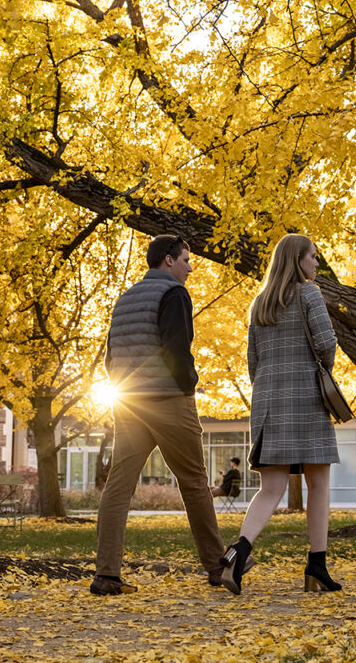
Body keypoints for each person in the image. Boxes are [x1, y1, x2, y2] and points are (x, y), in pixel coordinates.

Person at [91, 234, 235, 596]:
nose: (189, 267)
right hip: (169, 400)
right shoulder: (173, 293)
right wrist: (188, 386)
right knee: (194, 483)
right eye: (186, 259)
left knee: (118, 488)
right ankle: (217, 566)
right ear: (168, 260)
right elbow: (177, 349)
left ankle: (106, 575)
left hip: (128, 404)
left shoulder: (124, 298)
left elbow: (110, 355)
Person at [220, 234, 342, 595]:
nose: (317, 264)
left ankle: (237, 554)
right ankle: (316, 567)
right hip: (305, 398)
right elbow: (327, 345)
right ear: (297, 260)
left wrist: (271, 388)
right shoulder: (309, 294)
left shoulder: (259, 304)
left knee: (270, 487)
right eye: (313, 257)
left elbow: (252, 364)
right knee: (318, 483)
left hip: (267, 402)